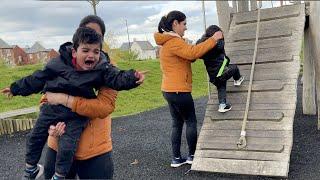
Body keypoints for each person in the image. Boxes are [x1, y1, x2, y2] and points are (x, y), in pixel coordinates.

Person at [1, 27, 144, 179]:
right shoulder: (59, 63)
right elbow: (38, 79)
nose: (91, 55)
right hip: (53, 110)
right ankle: (31, 169)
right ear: (75, 51)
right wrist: (15, 88)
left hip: (77, 115)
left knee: (68, 146)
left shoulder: (102, 67)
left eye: (96, 51)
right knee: (34, 136)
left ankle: (59, 175)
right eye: (86, 50)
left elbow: (116, 78)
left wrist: (132, 77)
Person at [42, 15, 134, 179]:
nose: (91, 37)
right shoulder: (61, 64)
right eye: (86, 32)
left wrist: (65, 100)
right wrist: (49, 125)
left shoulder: (110, 71)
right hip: (58, 145)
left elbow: (104, 106)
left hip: (94, 150)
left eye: (96, 35)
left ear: (101, 41)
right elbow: (46, 98)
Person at [154, 10, 223, 168]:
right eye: (184, 24)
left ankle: (176, 159)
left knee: (177, 124)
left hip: (169, 90)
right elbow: (192, 53)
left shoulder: (168, 41)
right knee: (191, 121)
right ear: (175, 24)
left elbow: (189, 56)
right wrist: (213, 39)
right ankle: (192, 156)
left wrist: (200, 43)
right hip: (179, 90)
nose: (186, 27)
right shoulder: (173, 42)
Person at [196, 25, 244, 113]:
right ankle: (237, 80)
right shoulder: (218, 44)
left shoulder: (203, 47)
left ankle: (222, 105)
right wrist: (219, 37)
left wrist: (204, 38)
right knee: (234, 68)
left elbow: (199, 44)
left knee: (221, 86)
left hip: (213, 76)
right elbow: (220, 45)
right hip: (221, 71)